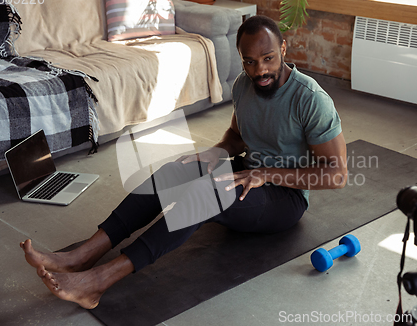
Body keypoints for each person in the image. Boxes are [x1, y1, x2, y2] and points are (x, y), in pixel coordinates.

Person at [20, 15, 348, 309]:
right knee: (175, 171)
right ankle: (83, 254)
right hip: (247, 172)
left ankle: (98, 282)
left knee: (204, 195)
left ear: (284, 49)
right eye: (249, 62)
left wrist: (266, 174)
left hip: (285, 197)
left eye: (268, 59)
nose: (259, 70)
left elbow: (336, 176)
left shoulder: (310, 99)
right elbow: (236, 136)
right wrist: (216, 151)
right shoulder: (243, 85)